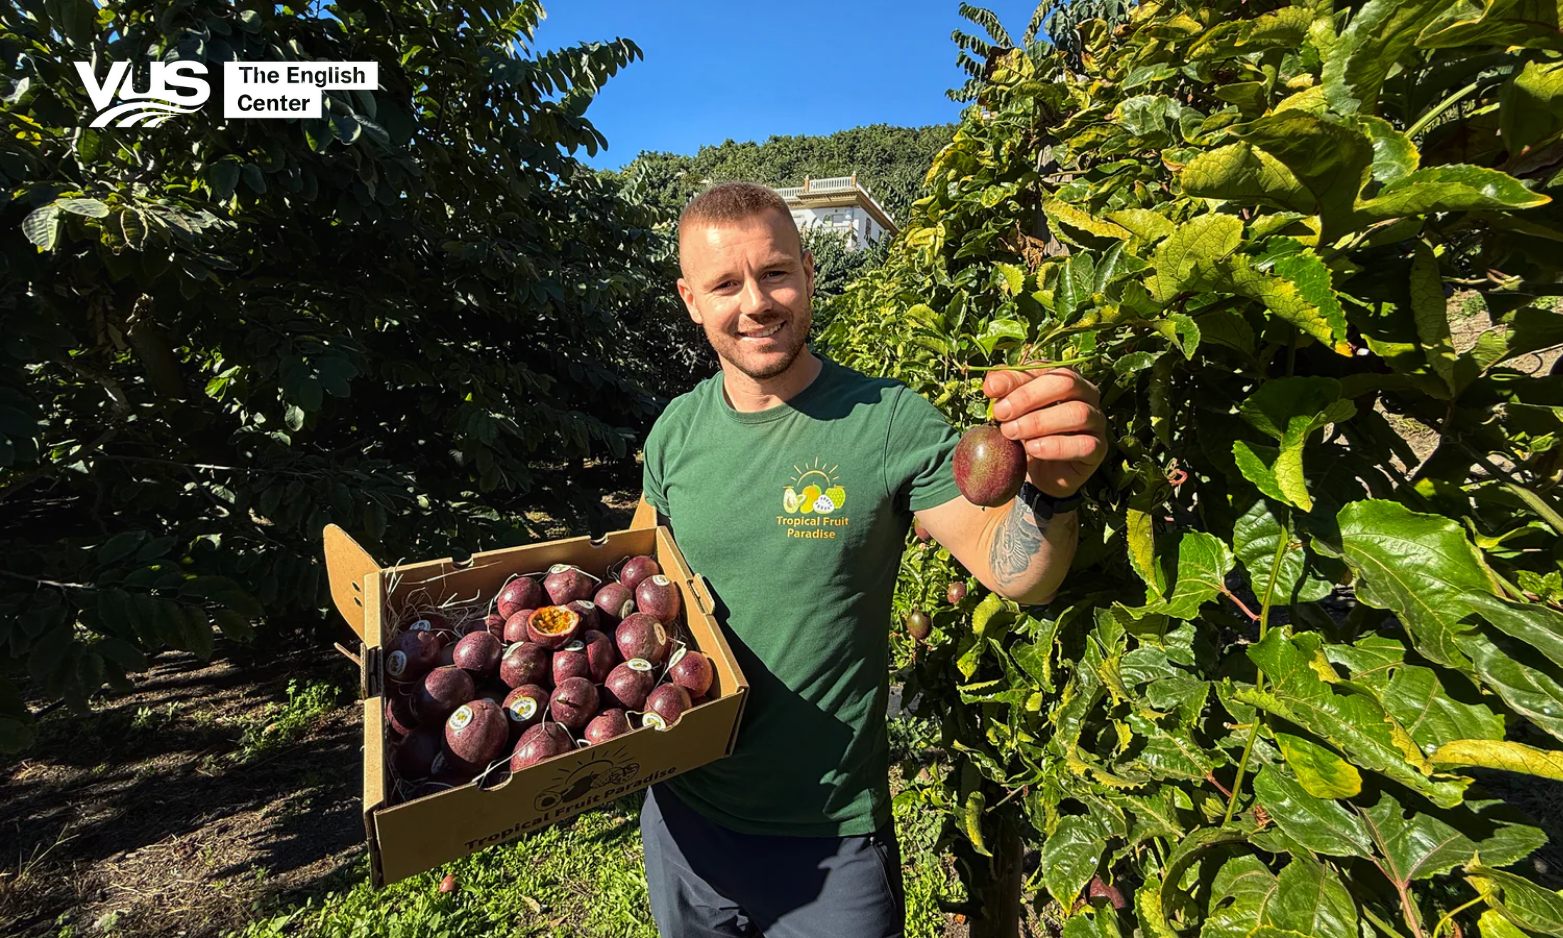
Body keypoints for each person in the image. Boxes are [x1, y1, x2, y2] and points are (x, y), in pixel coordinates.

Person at [631, 182, 1107, 938]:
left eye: (775, 272)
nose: (755, 301)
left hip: (829, 832)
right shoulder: (674, 433)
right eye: (725, 284)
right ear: (691, 301)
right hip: (683, 818)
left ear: (809, 272)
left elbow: (1017, 571)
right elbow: (638, 587)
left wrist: (1049, 491)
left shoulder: (887, 422)